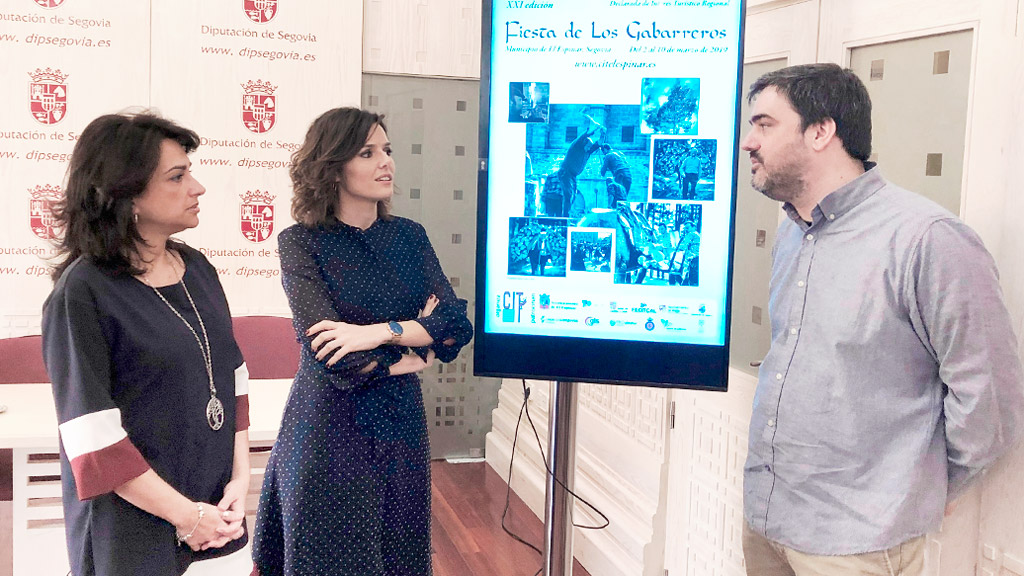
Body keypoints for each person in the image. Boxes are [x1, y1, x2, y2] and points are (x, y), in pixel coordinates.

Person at [739, 63, 1024, 576]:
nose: (748, 142)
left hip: (859, 543)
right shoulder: (792, 233)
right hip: (769, 520)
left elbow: (991, 402)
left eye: (764, 124)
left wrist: (920, 486)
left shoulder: (929, 239)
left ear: (821, 131)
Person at [251, 107, 473, 576]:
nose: (386, 162)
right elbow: (331, 358)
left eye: (387, 151)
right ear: (332, 166)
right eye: (367, 152)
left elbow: (455, 325)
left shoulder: (410, 237)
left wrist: (374, 334)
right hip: (329, 431)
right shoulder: (301, 242)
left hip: (400, 429)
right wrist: (412, 350)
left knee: (398, 558)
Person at [41, 112, 251, 576]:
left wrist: (240, 478)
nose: (197, 187)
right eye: (178, 176)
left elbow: (232, 379)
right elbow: (94, 439)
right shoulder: (82, 293)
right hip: (134, 525)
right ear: (126, 193)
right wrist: (185, 516)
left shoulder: (196, 267)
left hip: (212, 511)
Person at [555, 113, 604, 217]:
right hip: (565, 172)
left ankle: (567, 213)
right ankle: (565, 216)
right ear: (583, 144)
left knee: (573, 195)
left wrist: (603, 134)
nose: (588, 149)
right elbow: (583, 137)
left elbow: (599, 143)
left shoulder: (588, 150)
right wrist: (592, 129)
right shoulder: (576, 146)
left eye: (589, 147)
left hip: (573, 175)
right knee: (568, 194)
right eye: (587, 146)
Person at [667, 219, 699, 286]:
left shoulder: (692, 234)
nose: (686, 230)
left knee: (686, 280)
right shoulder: (697, 235)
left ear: (694, 227)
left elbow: (682, 247)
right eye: (685, 228)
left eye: (688, 228)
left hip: (692, 261)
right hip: (694, 260)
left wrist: (674, 247)